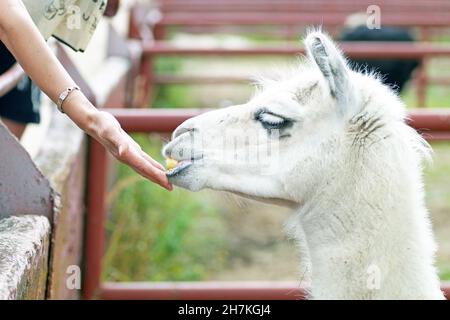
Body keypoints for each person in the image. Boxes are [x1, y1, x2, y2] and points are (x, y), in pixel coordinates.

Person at [0, 0, 171, 190]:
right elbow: (8, 17)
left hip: (27, 32)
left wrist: (92, 119)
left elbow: (9, 18)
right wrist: (91, 118)